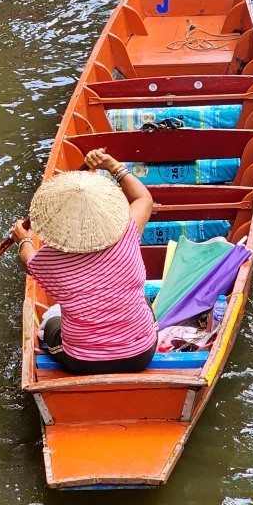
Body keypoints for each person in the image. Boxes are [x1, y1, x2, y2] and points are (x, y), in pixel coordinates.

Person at [12, 147, 158, 375]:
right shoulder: (127, 233)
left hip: (82, 361)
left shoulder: (47, 261)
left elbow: (27, 258)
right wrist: (112, 166)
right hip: (141, 354)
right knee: (144, 303)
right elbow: (143, 198)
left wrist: (23, 239)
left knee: (51, 325)